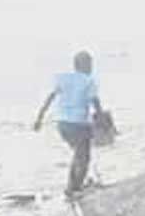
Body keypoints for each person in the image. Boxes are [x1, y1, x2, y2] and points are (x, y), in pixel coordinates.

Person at [33, 51, 104, 195]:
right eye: (90, 64)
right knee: (84, 157)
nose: (92, 67)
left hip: (63, 124)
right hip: (79, 124)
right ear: (84, 65)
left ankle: (71, 186)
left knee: (78, 155)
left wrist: (39, 118)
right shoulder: (88, 80)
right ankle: (75, 189)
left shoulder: (63, 79)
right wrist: (101, 120)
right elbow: (95, 102)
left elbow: (50, 98)